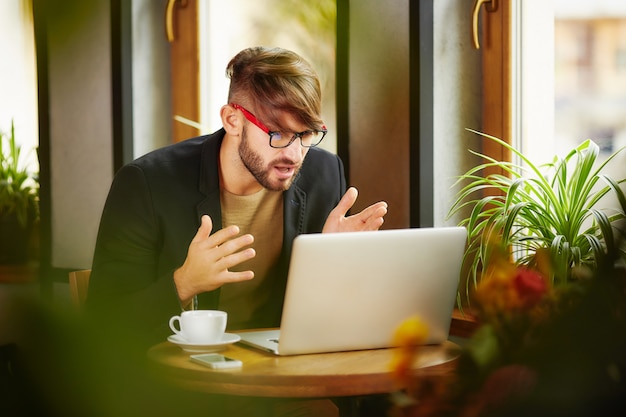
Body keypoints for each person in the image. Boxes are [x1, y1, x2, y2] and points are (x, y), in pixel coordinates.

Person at [86, 46, 388, 415]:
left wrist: (336, 264)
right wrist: (183, 282)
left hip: (282, 385)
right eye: (277, 133)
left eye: (306, 134)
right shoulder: (148, 184)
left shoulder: (325, 173)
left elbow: (331, 321)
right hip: (178, 392)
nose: (294, 155)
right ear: (232, 120)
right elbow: (103, 324)